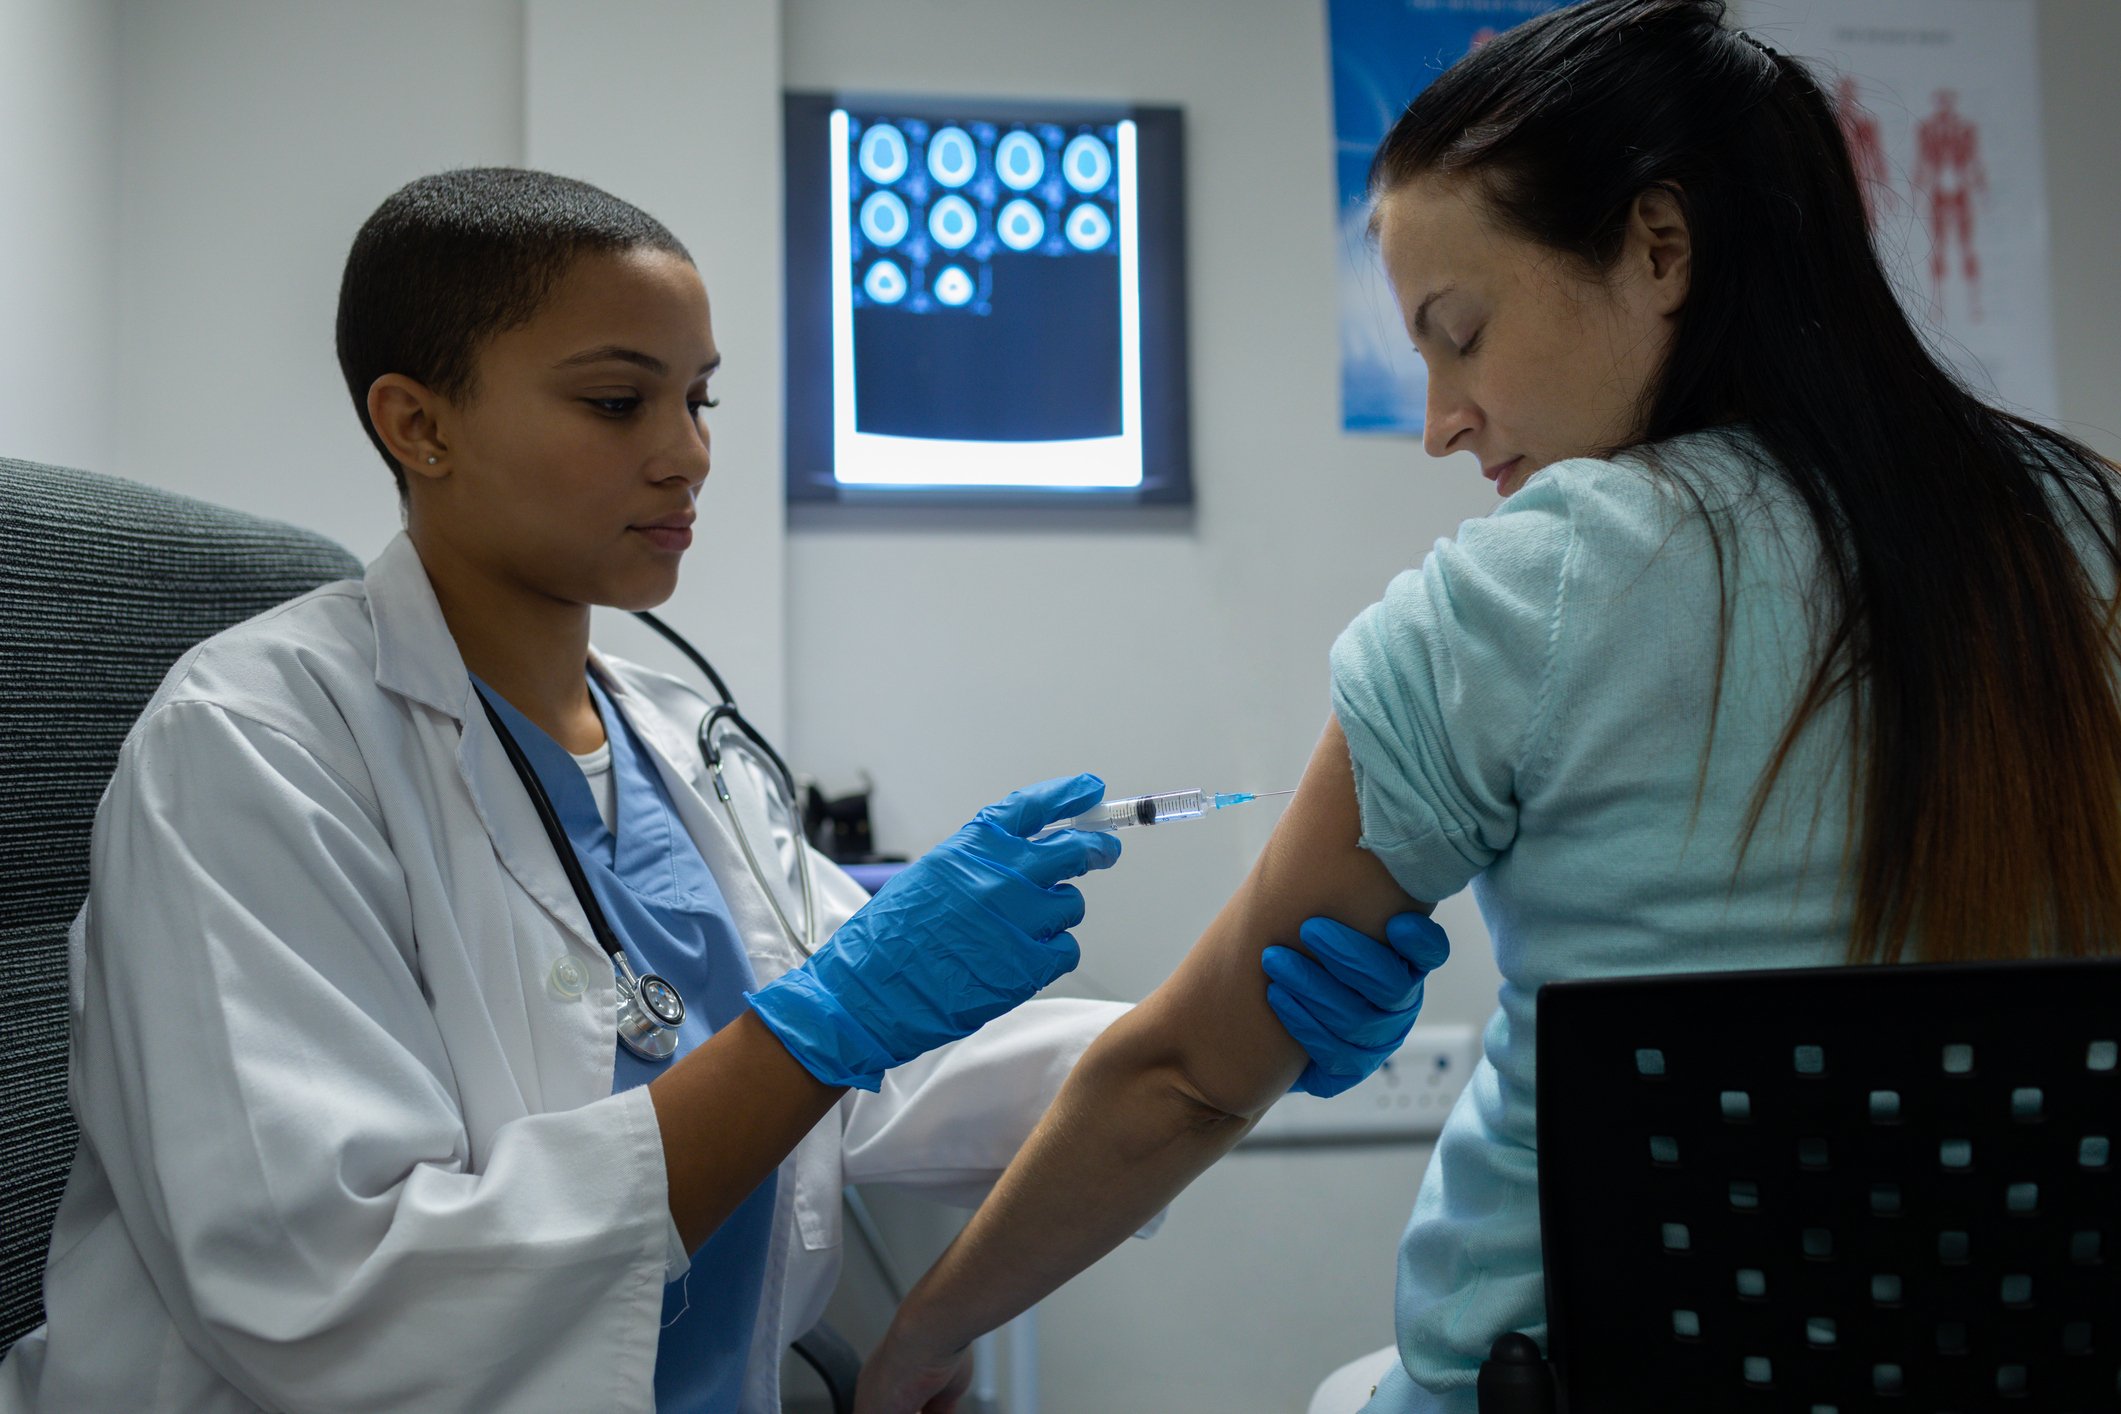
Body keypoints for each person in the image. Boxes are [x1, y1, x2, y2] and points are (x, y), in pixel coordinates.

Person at [0, 169, 1450, 1414]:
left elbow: (884, 1080)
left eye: (698, 399)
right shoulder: (253, 747)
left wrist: (1226, 1036)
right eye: (616, 400)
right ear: (418, 424)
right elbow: (336, 1298)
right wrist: (834, 1020)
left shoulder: (681, 743)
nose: (687, 452)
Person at [854, 2, 2121, 1410]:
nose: (1438, 421)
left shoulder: (1532, 586)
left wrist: (920, 1337)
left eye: (1458, 335)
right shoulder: (2087, 530)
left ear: (1659, 246)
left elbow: (1186, 1079)